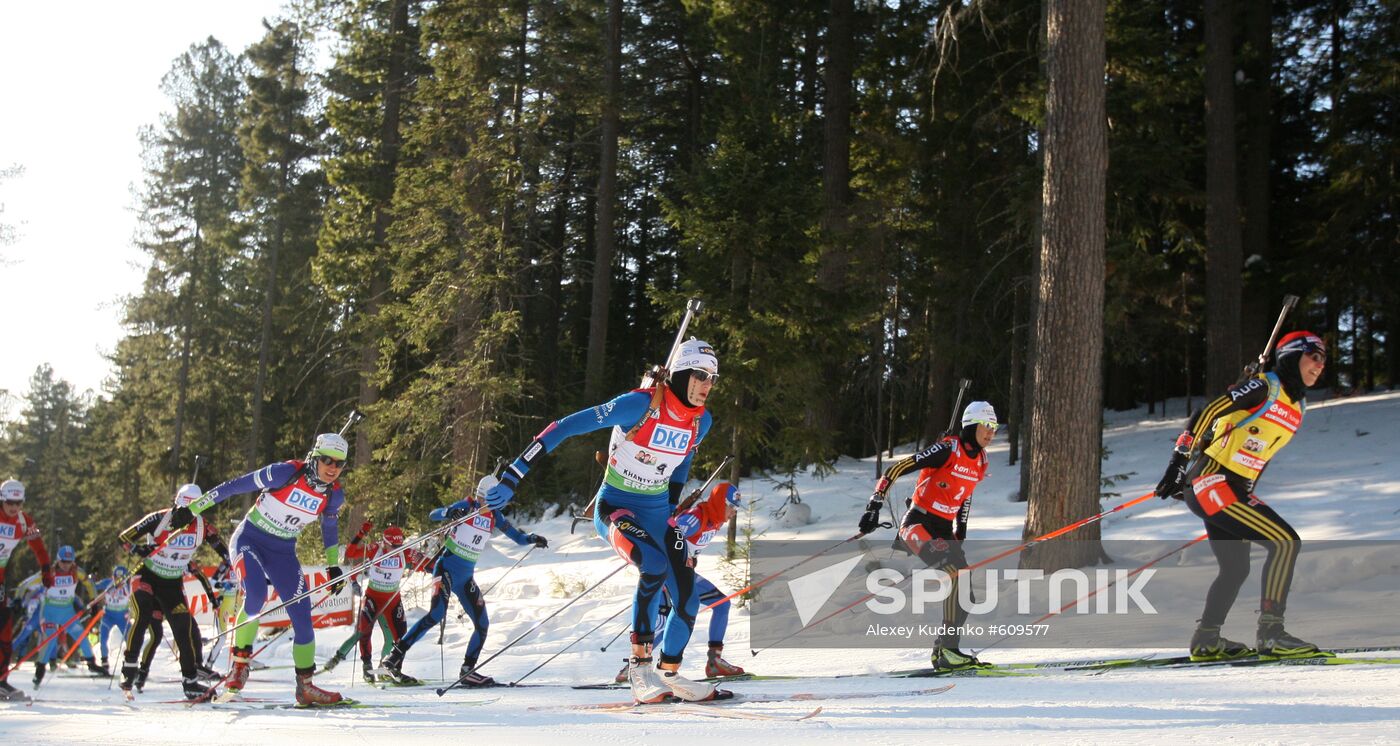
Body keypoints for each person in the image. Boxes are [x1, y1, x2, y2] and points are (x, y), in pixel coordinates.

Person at [482, 338, 718, 703]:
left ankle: (669, 673)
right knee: (653, 565)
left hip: (657, 514)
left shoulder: (702, 421)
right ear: (683, 372)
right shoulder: (639, 405)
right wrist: (513, 475)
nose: (707, 385)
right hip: (616, 509)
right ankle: (640, 669)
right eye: (700, 375)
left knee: (687, 597)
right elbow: (564, 426)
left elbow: (684, 458)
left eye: (713, 378)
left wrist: (672, 503)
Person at [1155, 331, 1326, 661]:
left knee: (1235, 569)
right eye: (1314, 356)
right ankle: (1271, 634)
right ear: (1292, 356)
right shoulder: (1265, 386)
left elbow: (1261, 454)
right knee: (1285, 542)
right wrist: (1178, 461)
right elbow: (1209, 411)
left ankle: (1206, 639)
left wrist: (1247, 490)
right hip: (1212, 481)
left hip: (1230, 488)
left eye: (1324, 360)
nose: (1319, 365)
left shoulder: (1297, 406)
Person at [167, 434, 350, 705]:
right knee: (255, 596)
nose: (333, 468)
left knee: (302, 617)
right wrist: (192, 509)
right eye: (327, 460)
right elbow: (234, 486)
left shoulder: (333, 495)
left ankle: (306, 687)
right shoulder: (285, 473)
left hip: (283, 551)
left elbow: (330, 527)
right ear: (314, 458)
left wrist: (333, 566)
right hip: (249, 540)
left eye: (339, 463)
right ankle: (240, 665)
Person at [858, 401, 997, 670]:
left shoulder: (980, 460)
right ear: (971, 426)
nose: (991, 432)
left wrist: (961, 529)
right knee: (956, 575)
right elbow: (897, 468)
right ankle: (948, 652)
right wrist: (874, 505)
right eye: (986, 425)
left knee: (966, 594)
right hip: (918, 523)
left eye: (995, 426)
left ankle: (944, 652)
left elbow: (965, 495)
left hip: (943, 528)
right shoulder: (948, 449)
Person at [382, 490, 546, 687]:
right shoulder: (468, 507)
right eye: (486, 498)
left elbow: (517, 537)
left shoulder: (495, 516)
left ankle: (467, 671)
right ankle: (394, 657)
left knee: (482, 624)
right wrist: (450, 512)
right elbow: (434, 515)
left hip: (465, 578)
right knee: (436, 614)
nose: (491, 503)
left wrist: (533, 538)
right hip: (445, 570)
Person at [617, 482, 748, 683]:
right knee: (671, 619)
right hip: (668, 573)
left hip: (684, 573)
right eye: (731, 507)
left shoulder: (714, 520)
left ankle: (715, 662)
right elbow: (665, 539)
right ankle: (633, 667)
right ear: (720, 503)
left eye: (736, 509)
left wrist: (690, 558)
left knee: (721, 604)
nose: (733, 513)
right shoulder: (694, 518)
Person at [117, 483, 229, 699]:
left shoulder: (202, 526)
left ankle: (190, 682)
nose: (186, 517)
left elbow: (222, 549)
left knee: (183, 627)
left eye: (191, 512)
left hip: (172, 583)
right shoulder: (159, 519)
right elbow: (124, 537)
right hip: (147, 577)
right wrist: (139, 549)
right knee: (142, 617)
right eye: (182, 511)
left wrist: (233, 561)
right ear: (176, 505)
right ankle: (129, 670)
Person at [332, 524, 429, 684]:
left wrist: (441, 563)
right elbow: (350, 553)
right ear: (385, 542)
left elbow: (426, 562)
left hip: (393, 600)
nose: (396, 549)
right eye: (393, 546)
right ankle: (367, 666)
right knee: (364, 631)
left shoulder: (404, 552)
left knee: (401, 635)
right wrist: (362, 532)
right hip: (373, 597)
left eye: (399, 545)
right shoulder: (374, 549)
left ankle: (391, 669)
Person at [0, 478, 51, 701]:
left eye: (18, 503)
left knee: (4, 626)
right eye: (9, 502)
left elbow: (38, 546)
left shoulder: (24, 521)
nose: (14, 507)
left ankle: (1, 680)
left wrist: (46, 570)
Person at [32, 545, 104, 685]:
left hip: (67, 612)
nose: (66, 565)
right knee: (50, 639)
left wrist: (94, 602)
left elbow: (89, 584)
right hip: (49, 612)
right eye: (63, 561)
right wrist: (18, 599)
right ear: (58, 560)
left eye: (69, 562)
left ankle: (91, 663)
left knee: (81, 635)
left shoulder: (76, 571)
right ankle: (39, 671)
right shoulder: (49, 572)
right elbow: (27, 584)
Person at [92, 565, 133, 674]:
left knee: (130, 639)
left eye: (121, 578)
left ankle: (130, 663)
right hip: (108, 616)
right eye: (116, 577)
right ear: (113, 576)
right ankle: (104, 662)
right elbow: (94, 586)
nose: (118, 580)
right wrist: (92, 578)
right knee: (103, 638)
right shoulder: (108, 583)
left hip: (122, 617)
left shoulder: (129, 585)